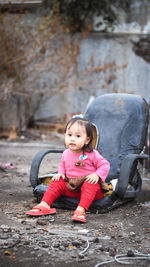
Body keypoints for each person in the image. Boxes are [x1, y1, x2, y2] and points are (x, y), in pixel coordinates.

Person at [26, 117, 110, 223]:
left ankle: (81, 210)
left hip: (90, 190)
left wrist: (97, 175)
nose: (72, 139)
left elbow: (105, 165)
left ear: (87, 140)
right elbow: (63, 165)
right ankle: (45, 204)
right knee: (57, 180)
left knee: (90, 183)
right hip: (72, 187)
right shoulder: (66, 153)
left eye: (78, 136)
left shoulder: (92, 154)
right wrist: (61, 173)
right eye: (69, 135)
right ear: (65, 135)